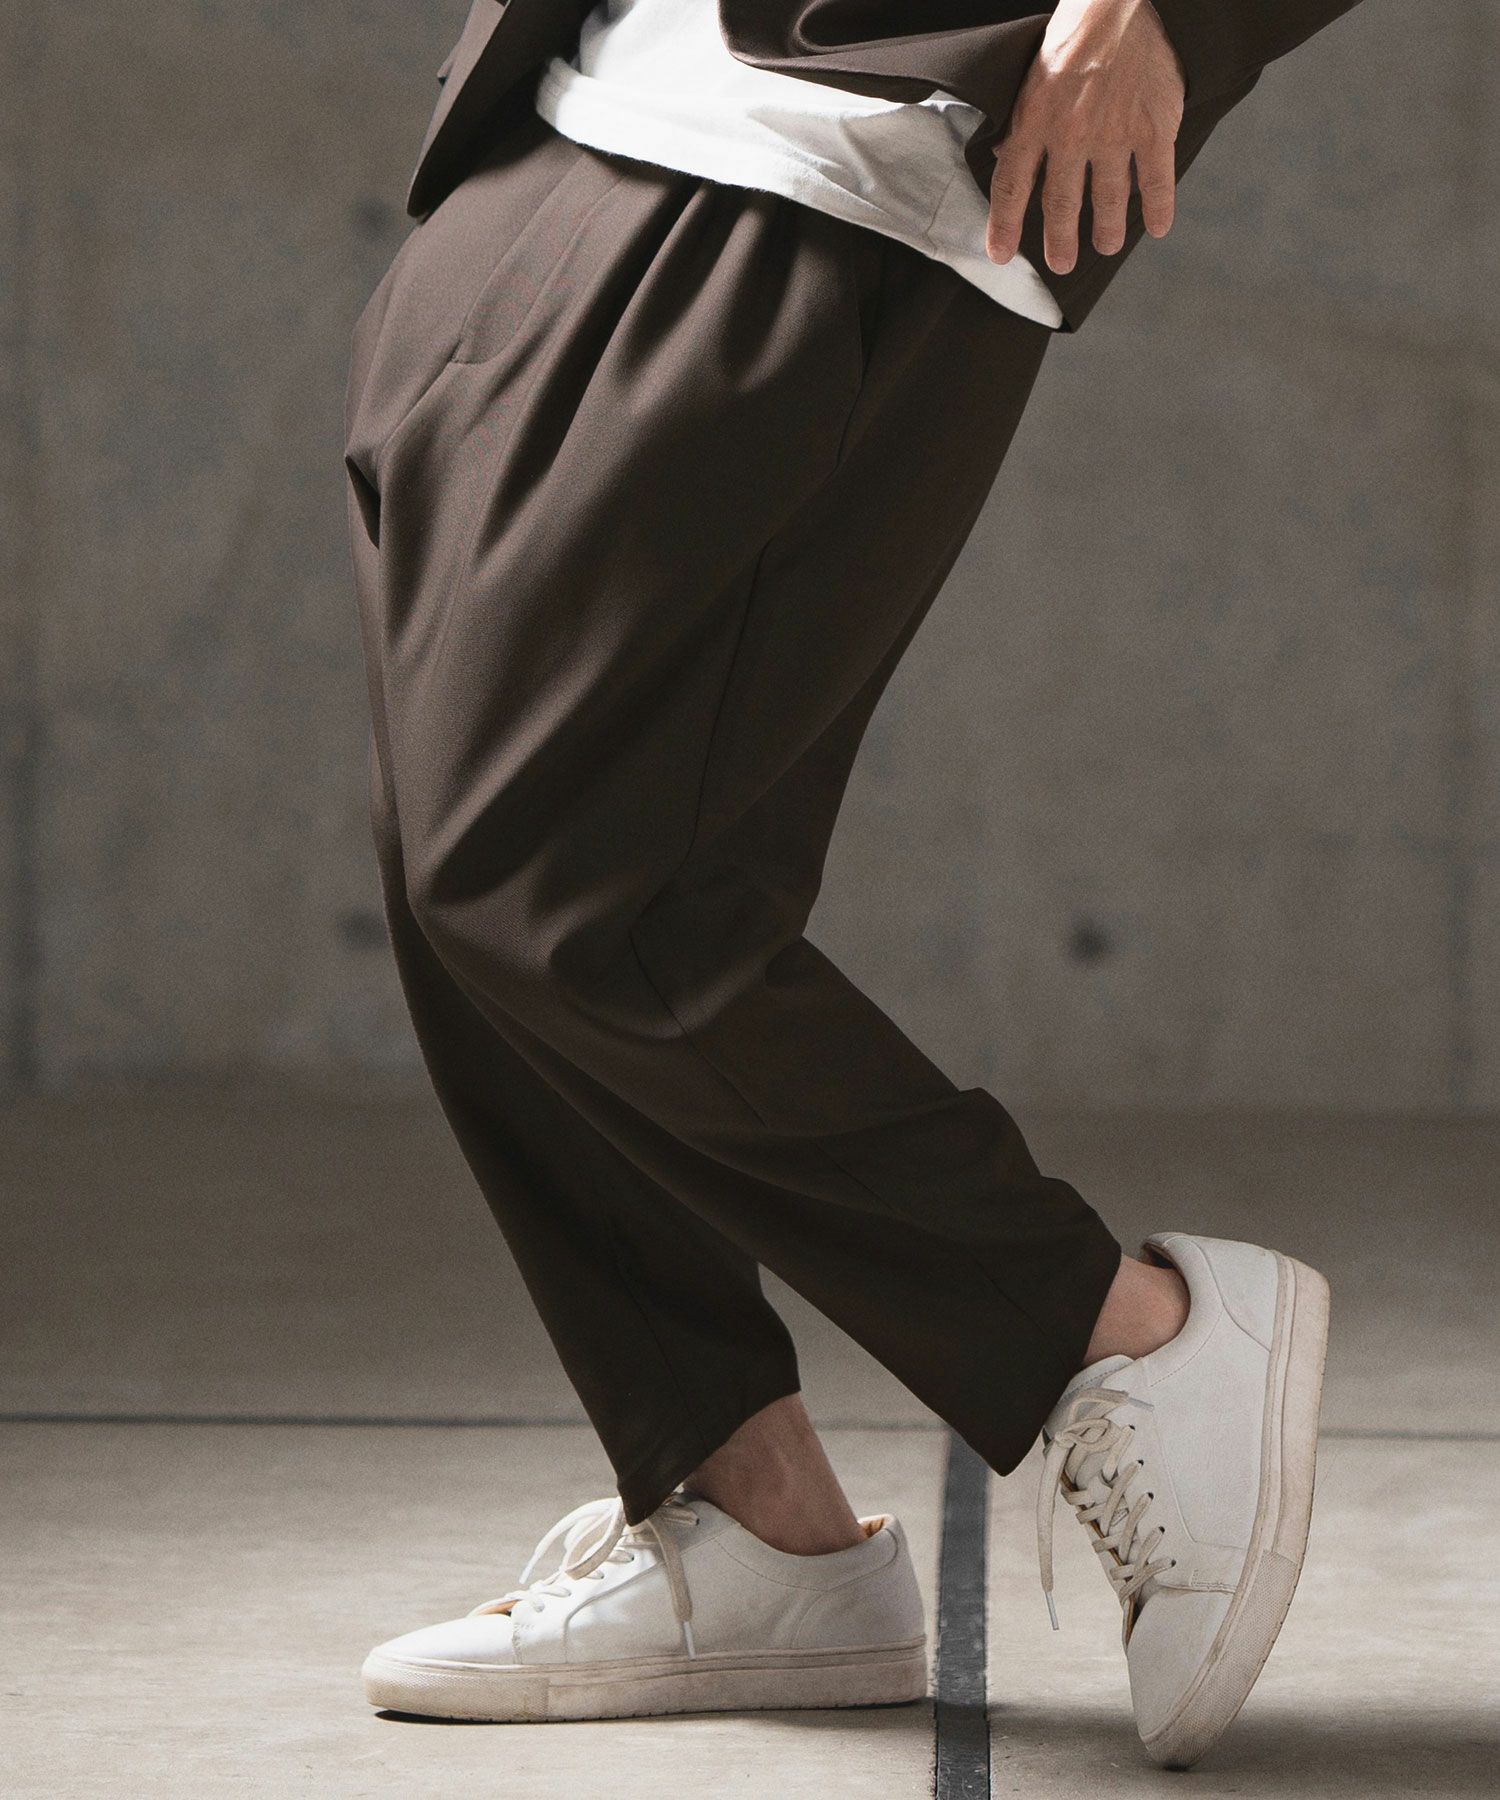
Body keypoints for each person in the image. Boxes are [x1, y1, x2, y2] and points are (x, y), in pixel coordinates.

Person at [344, 0, 1356, 1769]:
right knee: (461, 874)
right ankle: (755, 1526)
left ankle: (1120, 1332)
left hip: (826, 140)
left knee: (563, 885)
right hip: (559, 116)